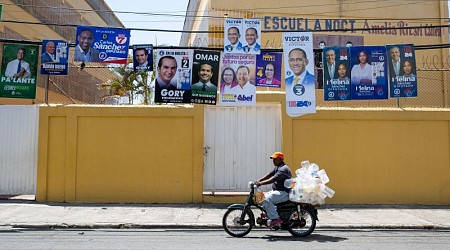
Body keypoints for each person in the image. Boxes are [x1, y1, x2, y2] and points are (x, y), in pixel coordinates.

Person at [255, 152, 292, 228]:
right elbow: (270, 174)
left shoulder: (283, 169)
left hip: (284, 193)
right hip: (278, 191)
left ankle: (275, 219)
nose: (273, 161)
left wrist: (260, 183)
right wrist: (259, 180)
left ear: (280, 159)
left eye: (275, 159)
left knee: (266, 199)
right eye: (273, 159)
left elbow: (273, 179)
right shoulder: (278, 167)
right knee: (261, 198)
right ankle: (269, 212)